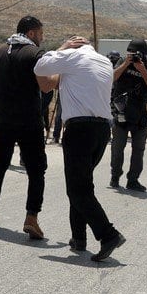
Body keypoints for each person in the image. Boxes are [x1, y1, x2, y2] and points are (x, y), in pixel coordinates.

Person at [33, 36, 125, 261]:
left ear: (76, 46)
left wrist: (62, 47)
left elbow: (40, 66)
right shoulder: (104, 61)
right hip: (102, 129)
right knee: (82, 184)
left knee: (77, 189)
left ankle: (108, 234)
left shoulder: (73, 56)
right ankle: (79, 238)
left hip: (80, 129)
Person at [0, 17, 48, 239]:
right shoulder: (33, 54)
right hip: (28, 121)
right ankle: (32, 217)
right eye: (40, 33)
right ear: (31, 33)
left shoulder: (0, 51)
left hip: (2, 120)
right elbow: (45, 85)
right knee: (36, 170)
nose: (41, 38)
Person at [109, 38, 147, 191]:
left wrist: (142, 70)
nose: (134, 55)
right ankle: (115, 176)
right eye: (131, 52)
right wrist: (125, 64)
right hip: (121, 111)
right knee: (117, 148)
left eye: (137, 53)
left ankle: (133, 180)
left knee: (138, 150)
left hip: (140, 114)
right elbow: (112, 77)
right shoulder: (122, 62)